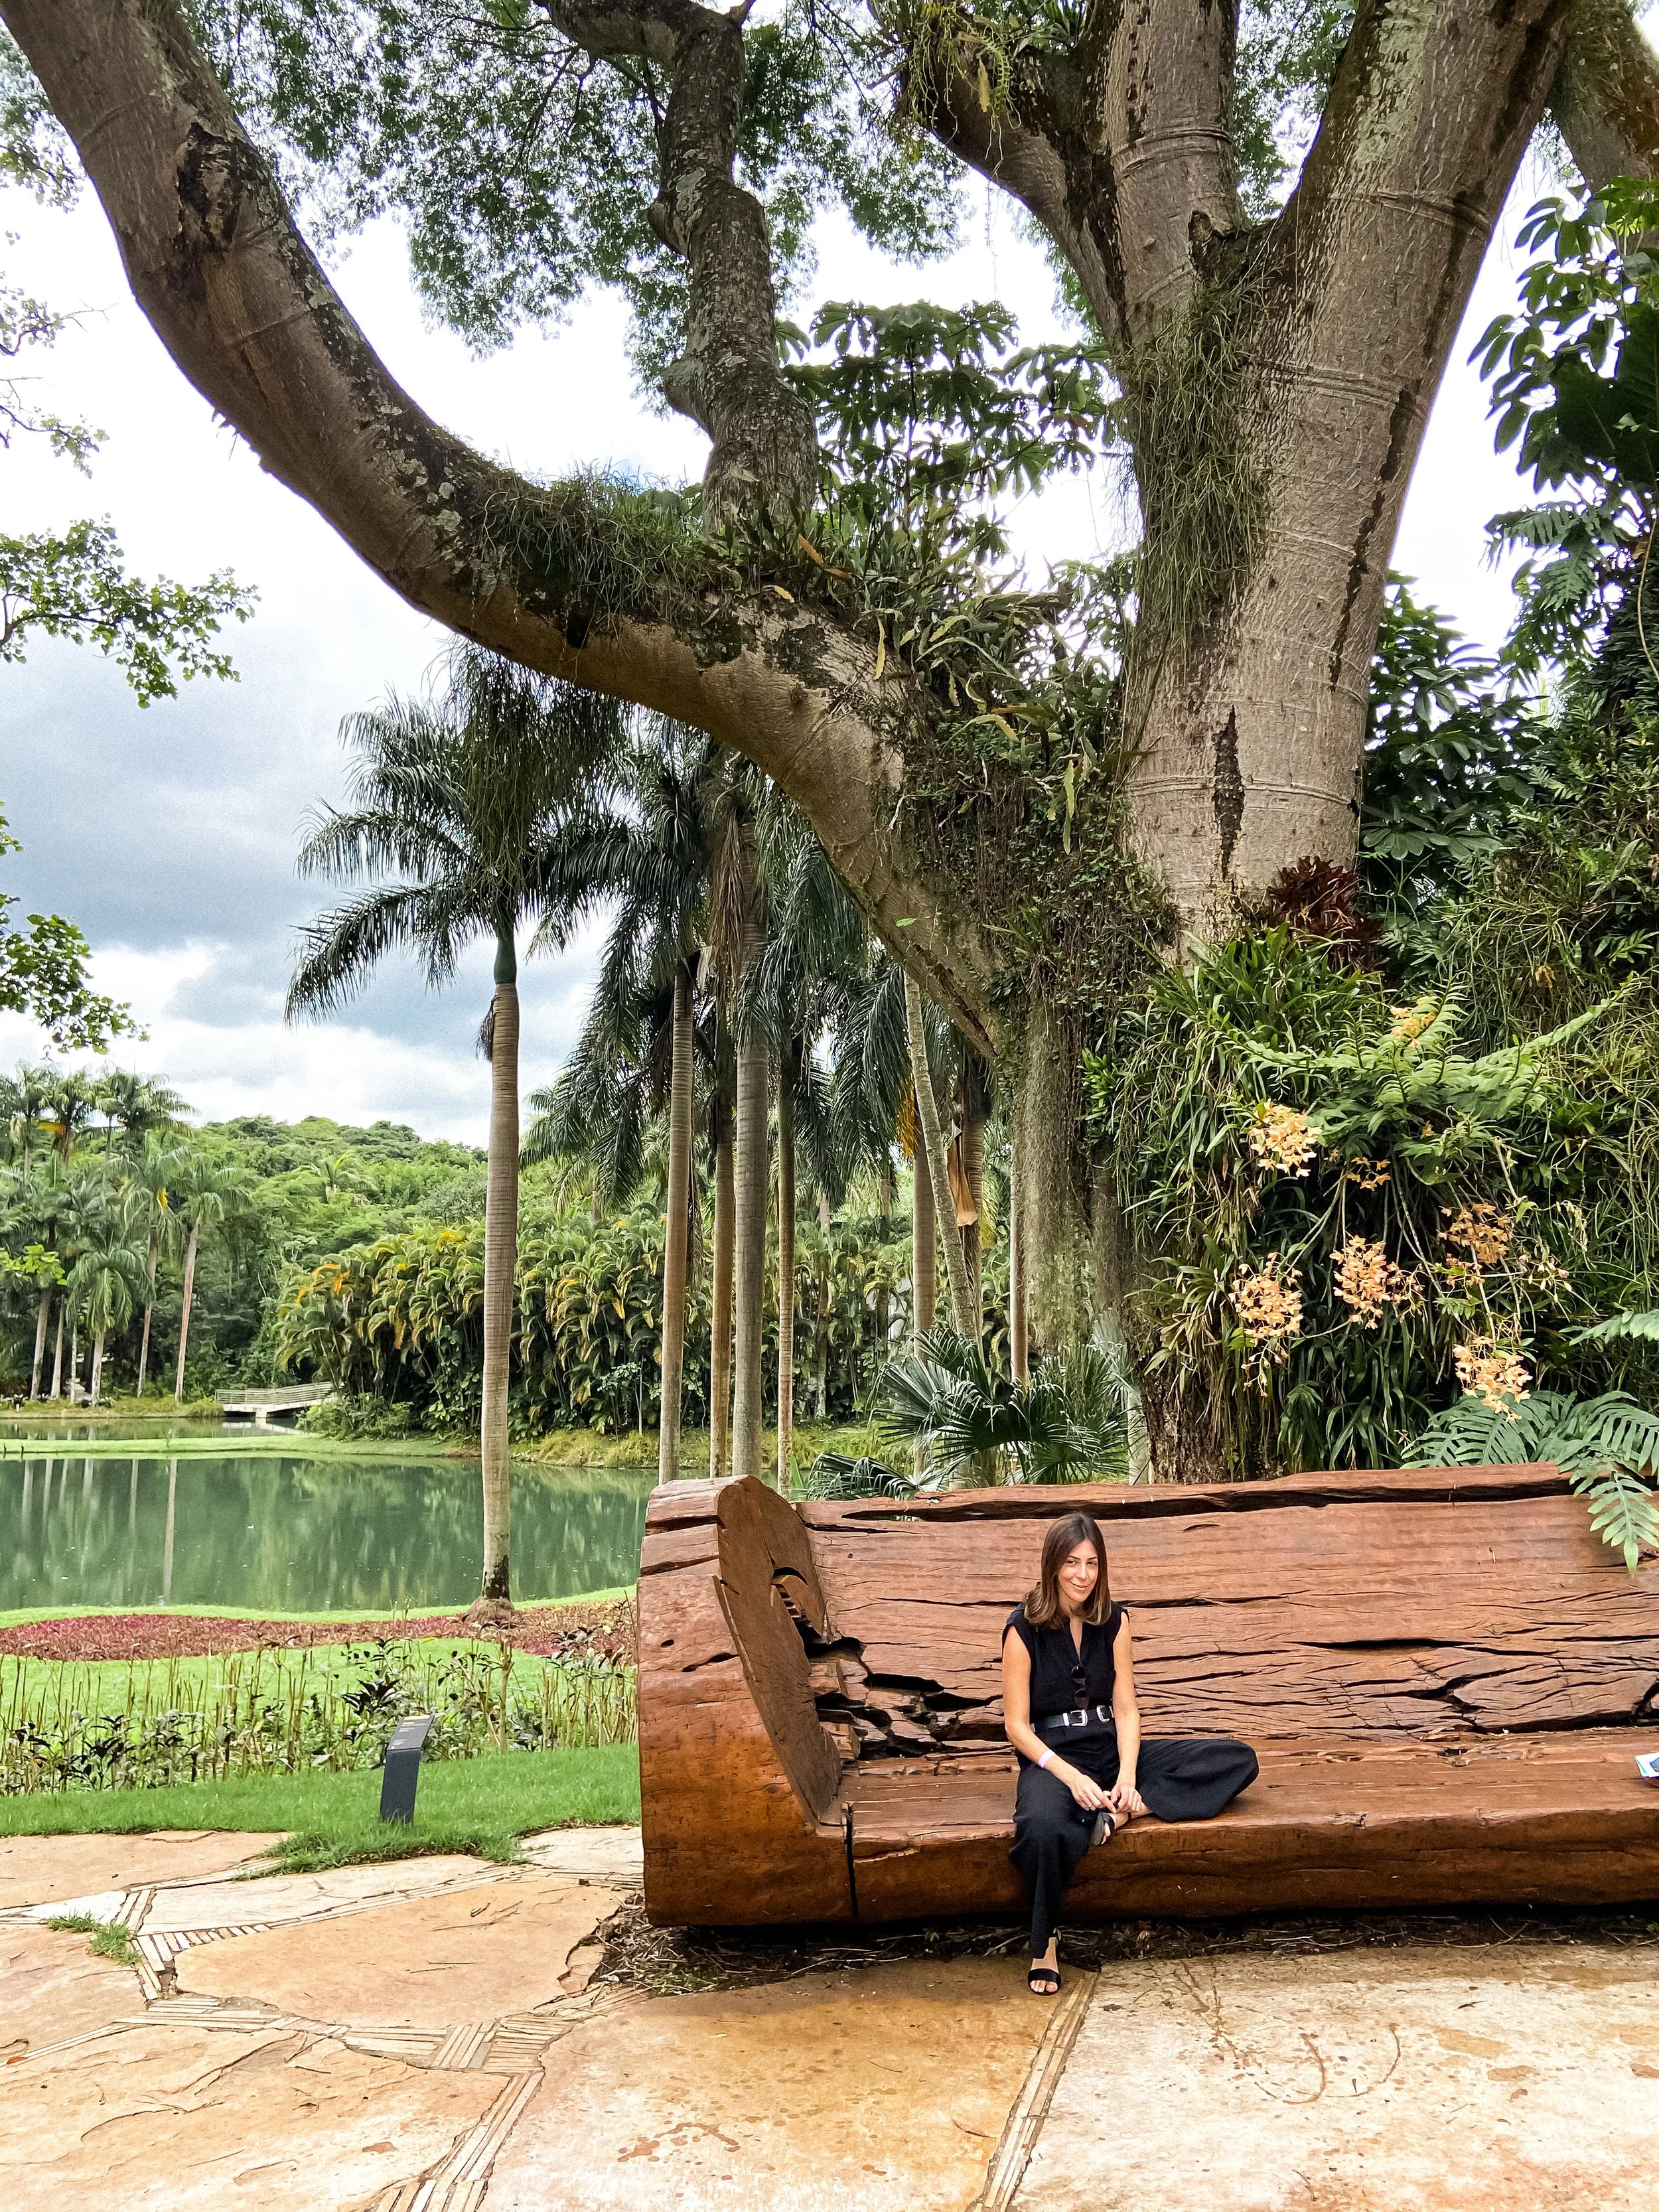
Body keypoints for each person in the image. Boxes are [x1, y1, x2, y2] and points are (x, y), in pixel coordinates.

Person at [1002, 1509, 1258, 1996]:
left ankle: (1127, 1809)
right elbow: (1016, 1726)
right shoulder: (1022, 1628)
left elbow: (1126, 1707)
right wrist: (1072, 1778)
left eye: (1092, 1563)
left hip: (1109, 1747)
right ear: (1053, 1564)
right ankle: (1045, 1943)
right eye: (1073, 1562)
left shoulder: (1114, 1621)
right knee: (1042, 1827)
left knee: (1236, 1758)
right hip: (1053, 1757)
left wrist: (1126, 1774)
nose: (1083, 1574)